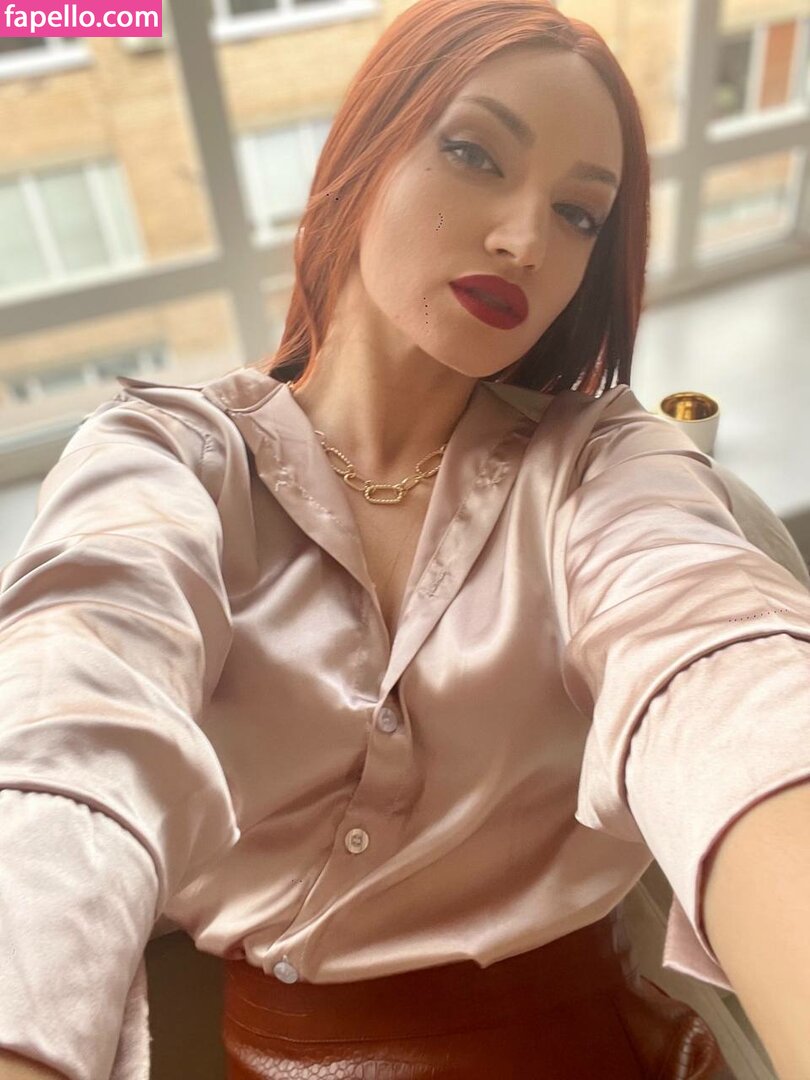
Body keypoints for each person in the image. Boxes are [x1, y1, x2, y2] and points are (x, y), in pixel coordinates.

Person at [1, 0, 810, 1077]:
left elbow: (720, 665)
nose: (525, 241)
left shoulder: (604, 466)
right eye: (475, 154)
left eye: (578, 213)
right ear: (365, 148)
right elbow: (70, 733)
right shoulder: (166, 463)